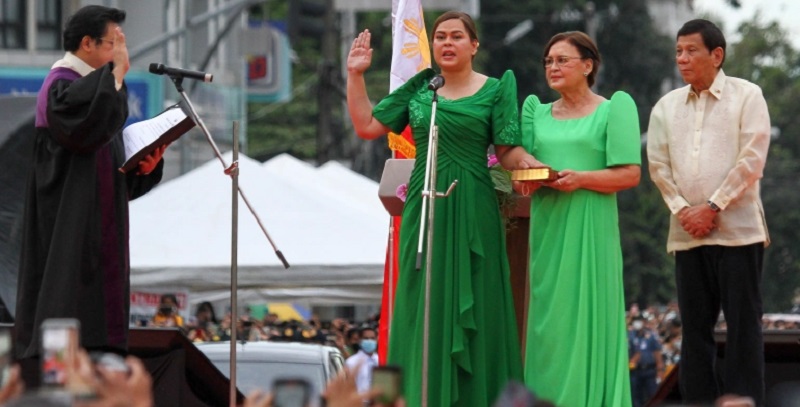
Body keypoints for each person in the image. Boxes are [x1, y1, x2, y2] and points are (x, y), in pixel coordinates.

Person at [346, 11, 537, 406]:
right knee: (420, 301)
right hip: (424, 201)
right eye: (439, 37)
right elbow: (367, 125)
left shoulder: (497, 89)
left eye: (456, 36)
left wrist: (535, 165)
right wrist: (356, 74)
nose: (447, 43)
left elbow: (508, 150)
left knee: (480, 302)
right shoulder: (422, 88)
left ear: (474, 45)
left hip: (475, 203)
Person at [13, 5, 166, 387]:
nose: (120, 54)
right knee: (66, 332)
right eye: (113, 44)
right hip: (69, 242)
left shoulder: (94, 96)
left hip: (99, 244)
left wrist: (142, 169)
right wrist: (115, 75)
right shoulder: (62, 89)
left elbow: (107, 182)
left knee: (101, 355)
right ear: (87, 43)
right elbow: (82, 138)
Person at [646, 18, 771, 405]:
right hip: (687, 234)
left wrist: (713, 206)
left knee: (743, 326)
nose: (682, 59)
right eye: (678, 51)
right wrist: (685, 210)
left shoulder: (747, 96)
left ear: (717, 55)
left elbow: (752, 159)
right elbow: (658, 166)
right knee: (695, 328)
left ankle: (743, 400)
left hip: (739, 232)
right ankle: (698, 401)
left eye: (691, 50)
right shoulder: (666, 107)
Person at [517, 31, 640, 406]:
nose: (553, 67)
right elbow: (519, 172)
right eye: (549, 61)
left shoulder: (614, 108)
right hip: (549, 231)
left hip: (591, 228)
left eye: (562, 60)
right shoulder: (534, 112)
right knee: (549, 326)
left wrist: (582, 179)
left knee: (589, 321)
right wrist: (533, 175)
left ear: (588, 65)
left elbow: (629, 174)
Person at [628, 316, 664, 407]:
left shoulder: (651, 336)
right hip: (635, 371)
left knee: (653, 395)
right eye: (635, 321)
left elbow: (657, 353)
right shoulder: (630, 335)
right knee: (636, 396)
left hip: (650, 370)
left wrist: (660, 370)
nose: (637, 323)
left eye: (639, 321)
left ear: (644, 322)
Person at [344, 326, 379, 394]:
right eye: (366, 338)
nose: (369, 341)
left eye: (372, 338)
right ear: (359, 340)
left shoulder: (381, 360)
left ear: (376, 340)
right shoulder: (351, 362)